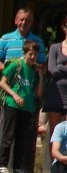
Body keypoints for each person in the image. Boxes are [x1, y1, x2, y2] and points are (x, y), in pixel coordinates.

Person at [0, 8, 46, 173]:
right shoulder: (5, 38)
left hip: (28, 94)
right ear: (16, 20)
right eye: (21, 19)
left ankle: (20, 169)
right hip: (9, 94)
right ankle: (1, 166)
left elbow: (42, 66)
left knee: (24, 135)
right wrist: (14, 70)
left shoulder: (37, 42)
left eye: (28, 20)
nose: (24, 23)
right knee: (6, 133)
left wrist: (34, 69)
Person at [0, 40, 43, 173]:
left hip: (28, 106)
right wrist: (14, 95)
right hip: (13, 104)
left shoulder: (34, 71)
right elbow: (3, 82)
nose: (33, 57)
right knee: (8, 135)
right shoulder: (16, 65)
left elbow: (39, 93)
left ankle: (18, 167)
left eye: (35, 54)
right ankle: (2, 165)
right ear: (25, 53)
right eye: (30, 54)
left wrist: (40, 76)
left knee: (22, 138)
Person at [42, 17, 67, 146]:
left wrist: (60, 67)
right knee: (55, 134)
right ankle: (54, 165)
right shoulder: (55, 47)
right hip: (55, 94)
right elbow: (51, 70)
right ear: (63, 27)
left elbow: (57, 69)